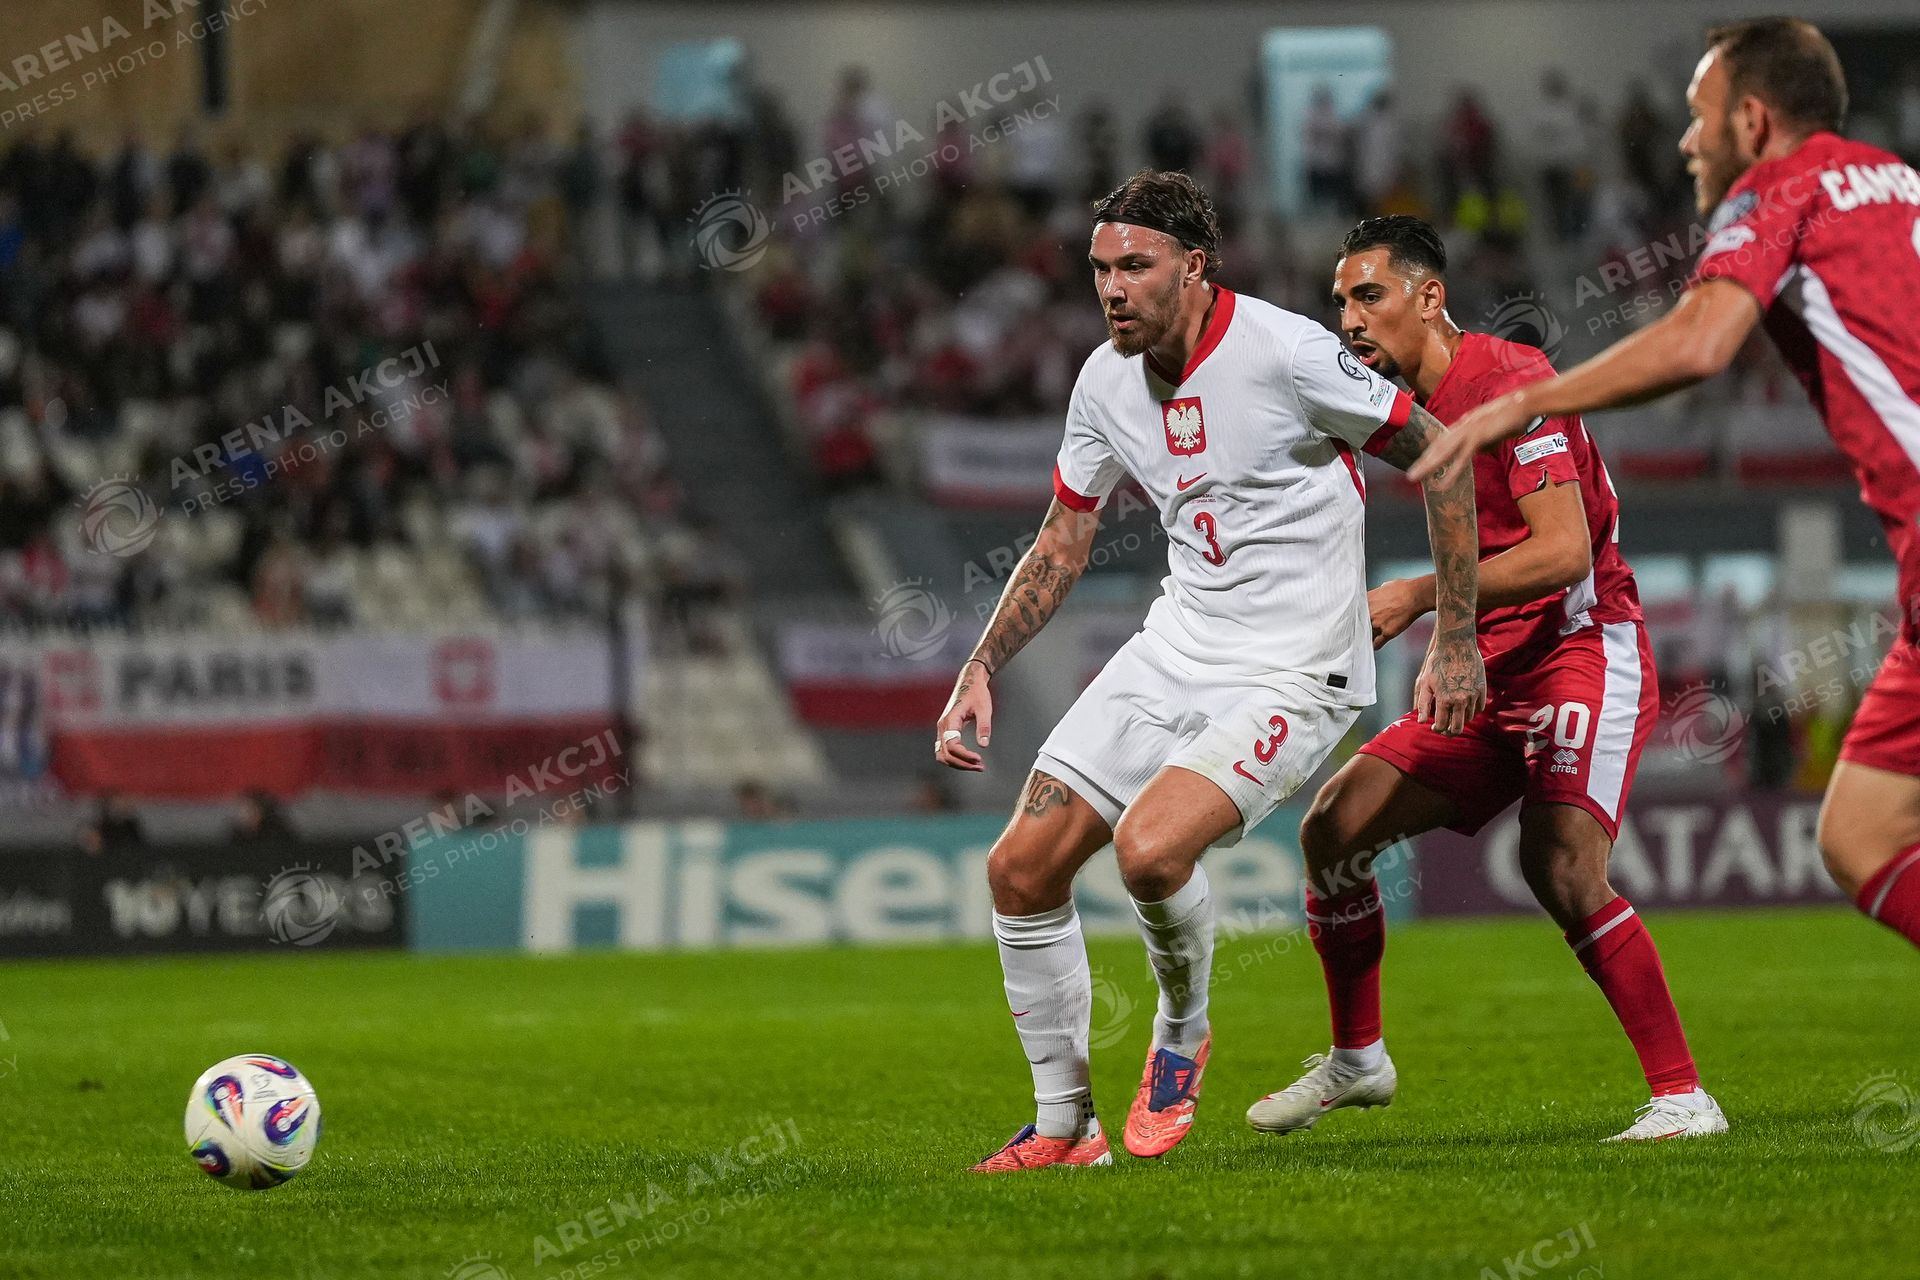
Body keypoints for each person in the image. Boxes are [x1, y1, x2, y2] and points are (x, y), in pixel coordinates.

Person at [937, 171, 1486, 1172]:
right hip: (1177, 647)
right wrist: (980, 666)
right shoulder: (1104, 381)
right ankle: (1064, 1127)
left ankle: (1182, 1033)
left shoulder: (1289, 352)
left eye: (1135, 266)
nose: (1112, 288)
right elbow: (1062, 541)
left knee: (1149, 852)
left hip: (1297, 668)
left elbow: (1443, 457)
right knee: (1019, 869)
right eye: (1100, 268)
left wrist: (1454, 634)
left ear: (1194, 266)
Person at [1413, 18, 1920, 954]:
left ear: (1753, 121)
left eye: (1700, 114)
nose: (1687, 140)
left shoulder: (1780, 188)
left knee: (1864, 838)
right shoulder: (1896, 180)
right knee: (1862, 834)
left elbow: (1700, 341)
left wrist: (1523, 402)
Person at [1249, 216, 1725, 1144]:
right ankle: (1357, 1057)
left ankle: (1683, 1098)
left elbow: (1562, 551)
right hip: (1487, 656)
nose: (1348, 319)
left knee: (1561, 864)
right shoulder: (1393, 406)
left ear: (1430, 297)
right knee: (1335, 829)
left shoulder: (1509, 380)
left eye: (1369, 296)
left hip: (1580, 646)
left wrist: (1420, 600)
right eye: (1340, 301)